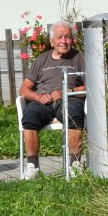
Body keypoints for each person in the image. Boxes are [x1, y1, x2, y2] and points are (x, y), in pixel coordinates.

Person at [18, 20, 85, 179]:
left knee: (75, 116)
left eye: (67, 37)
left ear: (73, 40)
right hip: (44, 101)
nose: (63, 41)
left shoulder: (79, 58)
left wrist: (68, 92)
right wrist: (38, 97)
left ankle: (74, 166)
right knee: (30, 116)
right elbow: (24, 89)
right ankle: (33, 167)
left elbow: (91, 87)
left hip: (70, 100)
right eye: (60, 37)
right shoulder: (42, 59)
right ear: (51, 41)